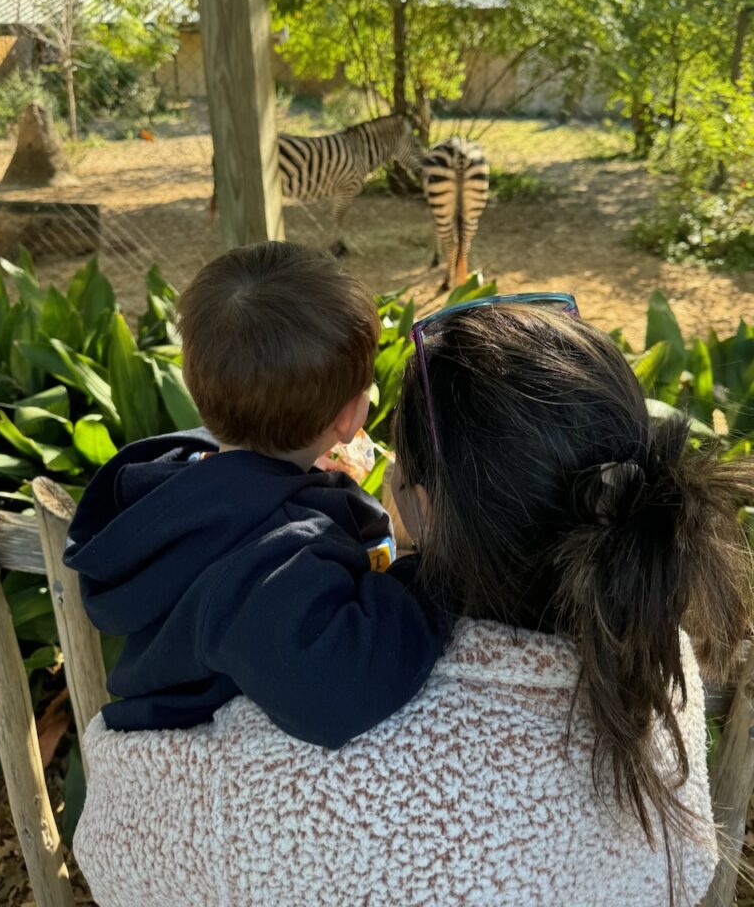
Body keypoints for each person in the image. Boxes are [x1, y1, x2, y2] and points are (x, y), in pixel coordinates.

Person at [74, 295, 752, 907]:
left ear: (423, 512)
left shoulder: (283, 758)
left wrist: (410, 572)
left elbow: (115, 856)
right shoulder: (655, 664)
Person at [64, 241, 447, 747]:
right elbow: (337, 692)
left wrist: (309, 486)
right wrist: (436, 568)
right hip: (198, 790)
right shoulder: (267, 562)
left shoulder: (177, 493)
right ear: (352, 417)